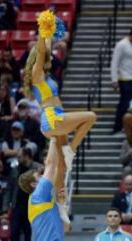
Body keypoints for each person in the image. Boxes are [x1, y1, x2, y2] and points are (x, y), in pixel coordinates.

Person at [23, 10, 96, 205]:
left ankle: (58, 202)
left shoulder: (45, 76)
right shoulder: (37, 76)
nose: (50, 58)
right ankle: (72, 149)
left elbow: (47, 47)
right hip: (52, 118)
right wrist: (41, 30)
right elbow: (41, 51)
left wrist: (50, 30)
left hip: (57, 117)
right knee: (91, 116)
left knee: (61, 166)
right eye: (46, 57)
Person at [18, 138, 68, 241]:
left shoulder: (41, 199)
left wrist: (61, 205)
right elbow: (50, 165)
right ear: (34, 184)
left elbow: (65, 228)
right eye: (39, 176)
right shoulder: (38, 194)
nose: (43, 177)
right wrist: (53, 138)